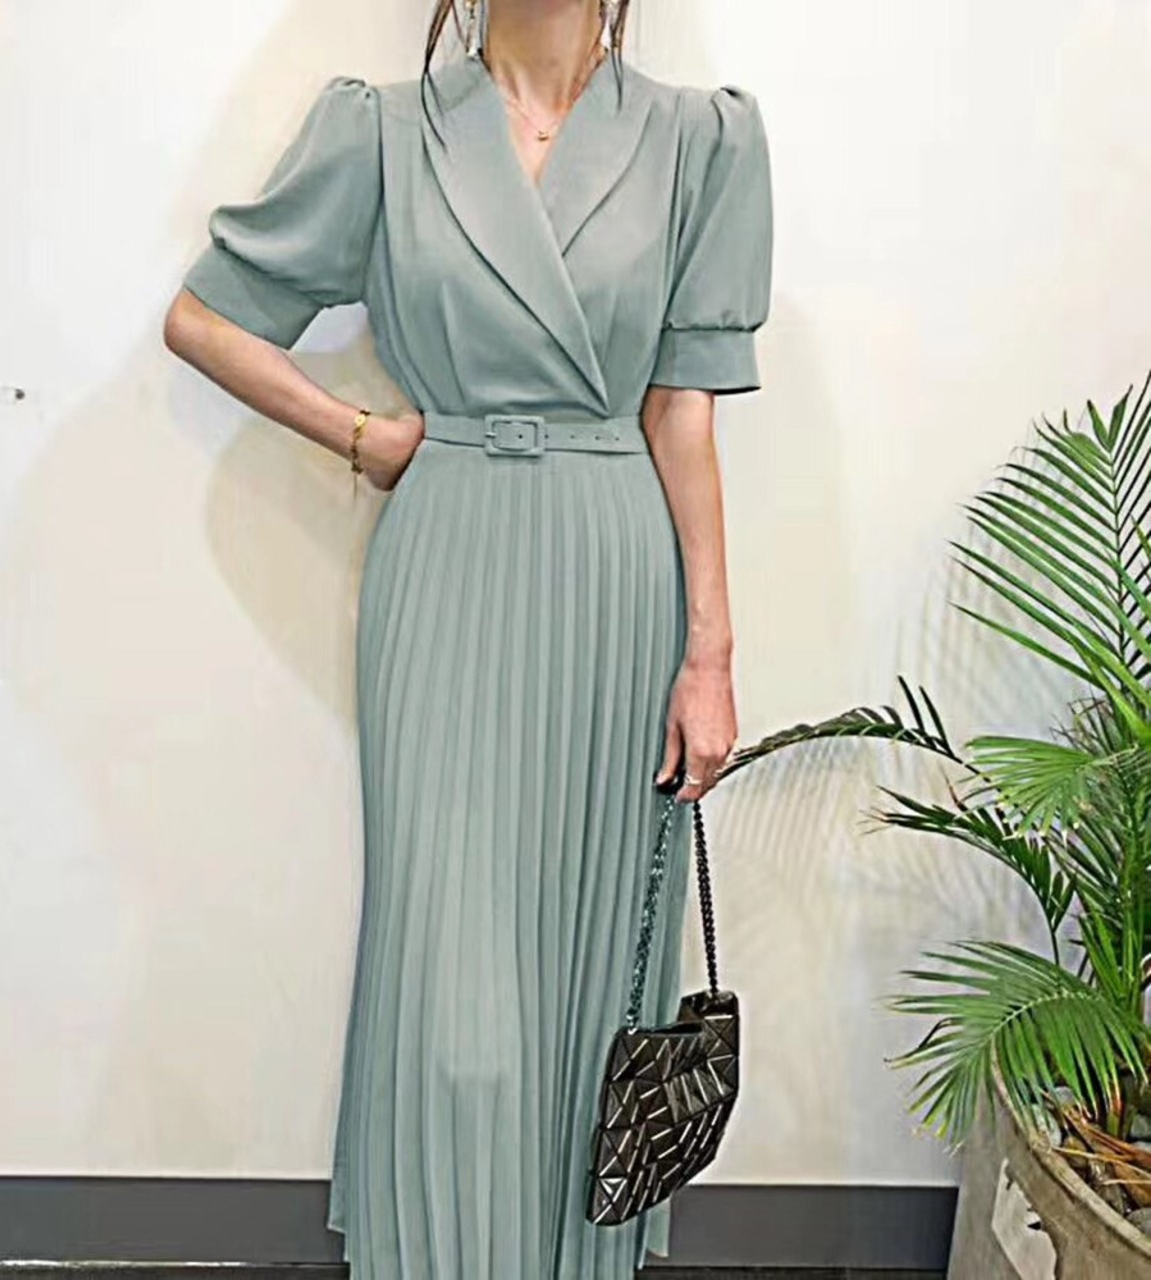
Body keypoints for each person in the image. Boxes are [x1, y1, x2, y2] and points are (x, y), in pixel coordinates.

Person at [164, 0, 772, 1274]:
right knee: (451, 985)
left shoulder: (698, 143)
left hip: (613, 582)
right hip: (447, 574)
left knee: (590, 969)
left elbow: (682, 412)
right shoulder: (383, 133)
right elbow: (205, 318)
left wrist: (708, 656)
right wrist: (359, 433)